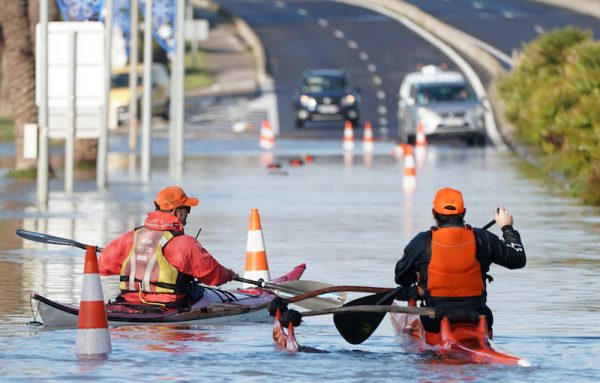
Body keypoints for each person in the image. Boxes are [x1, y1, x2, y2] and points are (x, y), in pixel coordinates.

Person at [394, 187, 526, 332]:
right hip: (477, 317)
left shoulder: (422, 241)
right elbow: (518, 260)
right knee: (485, 314)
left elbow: (401, 278)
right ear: (463, 213)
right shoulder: (482, 238)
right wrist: (507, 228)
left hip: (433, 321)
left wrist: (421, 281)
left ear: (433, 214)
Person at [99, 186, 238, 309]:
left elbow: (102, 266)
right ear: (176, 212)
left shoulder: (131, 237)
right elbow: (213, 274)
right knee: (200, 291)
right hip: (171, 306)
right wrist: (230, 274)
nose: (188, 213)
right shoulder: (184, 244)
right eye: (187, 208)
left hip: (128, 300)